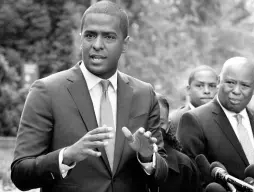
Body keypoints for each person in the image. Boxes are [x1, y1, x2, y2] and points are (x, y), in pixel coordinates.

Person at [10, 1, 168, 192]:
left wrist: (147, 158)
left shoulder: (145, 94)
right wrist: (66, 156)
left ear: (125, 44)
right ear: (80, 39)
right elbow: (20, 173)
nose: (97, 45)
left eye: (109, 37)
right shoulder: (47, 91)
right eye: (90, 35)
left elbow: (163, 174)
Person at [177, 57, 254, 183]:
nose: (236, 91)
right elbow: (190, 180)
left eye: (244, 85)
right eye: (230, 83)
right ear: (219, 82)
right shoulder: (194, 120)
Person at [149, 93, 201, 192]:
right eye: (147, 121)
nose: (153, 128)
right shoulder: (120, 163)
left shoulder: (184, 165)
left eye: (160, 123)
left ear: (168, 126)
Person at [169, 65, 218, 134]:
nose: (206, 91)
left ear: (217, 89)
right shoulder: (174, 120)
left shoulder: (226, 118)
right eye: (199, 86)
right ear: (188, 90)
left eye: (211, 86)